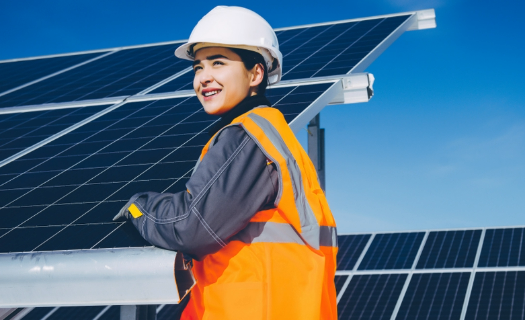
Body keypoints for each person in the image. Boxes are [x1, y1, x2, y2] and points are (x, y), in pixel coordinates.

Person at [113, 6, 338, 319]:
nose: (204, 78)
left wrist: (138, 207)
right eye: (197, 68)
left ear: (256, 73)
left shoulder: (247, 137)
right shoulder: (273, 135)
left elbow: (193, 226)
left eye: (218, 63)